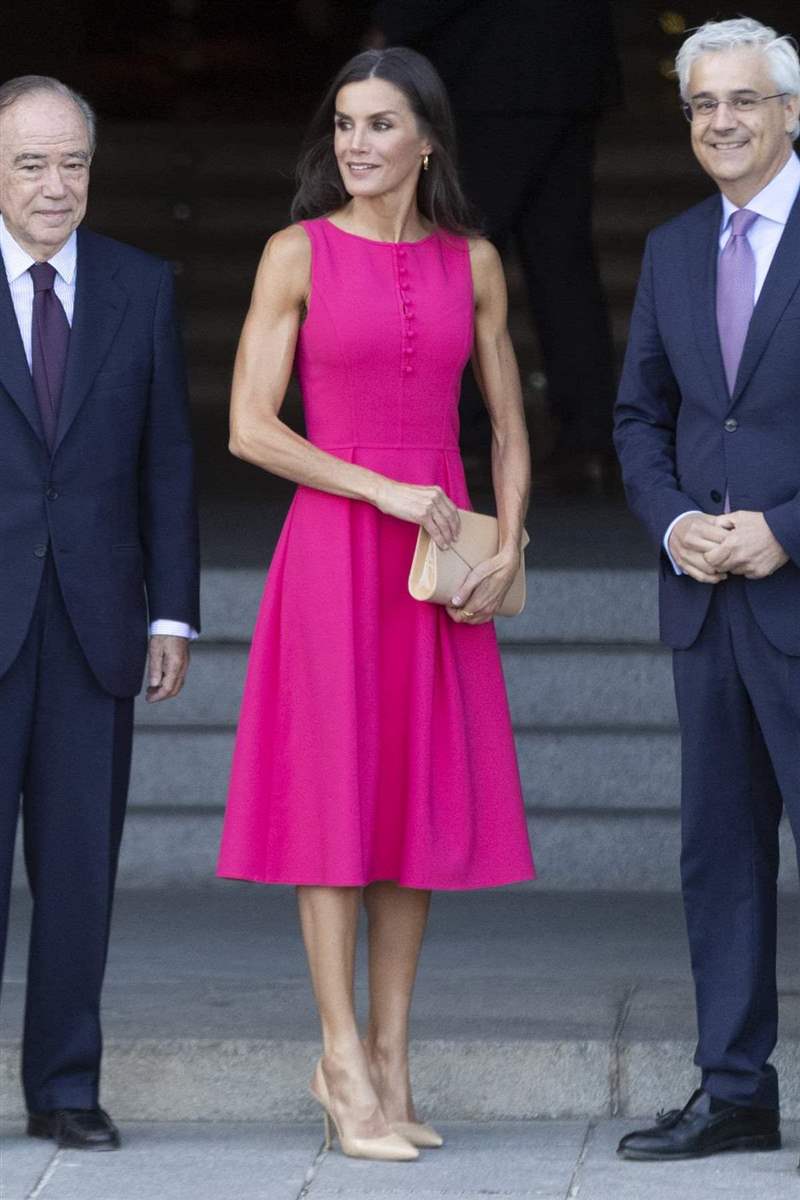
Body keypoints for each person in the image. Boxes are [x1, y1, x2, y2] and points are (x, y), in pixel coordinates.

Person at [217, 46, 534, 1161]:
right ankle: (339, 1061)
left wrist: (513, 539)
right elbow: (250, 427)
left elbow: (502, 422)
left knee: (412, 809)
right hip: (335, 553)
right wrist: (383, 486)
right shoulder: (292, 254)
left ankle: (394, 1059)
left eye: (379, 125)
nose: (355, 144)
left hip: (439, 566)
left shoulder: (475, 262)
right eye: (343, 125)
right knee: (331, 807)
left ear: (426, 140)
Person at [0, 76, 199, 1150]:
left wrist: (172, 615)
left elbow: (165, 461)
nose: (54, 184)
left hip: (93, 627)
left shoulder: (139, 284)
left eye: (71, 161)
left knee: (79, 870)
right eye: (31, 163)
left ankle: (66, 1088)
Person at [614, 18, 800, 1164]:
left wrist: (784, 530)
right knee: (721, 855)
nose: (718, 122)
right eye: (699, 106)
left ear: (789, 110)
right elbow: (639, 415)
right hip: (706, 607)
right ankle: (733, 1091)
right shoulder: (673, 248)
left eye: (740, 100)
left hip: (791, 584)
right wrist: (676, 520)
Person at [368, 0, 621, 491]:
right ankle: (588, 439)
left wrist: (393, 26)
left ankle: (459, 435)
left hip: (484, 75)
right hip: (571, 68)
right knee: (562, 266)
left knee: (454, 255)